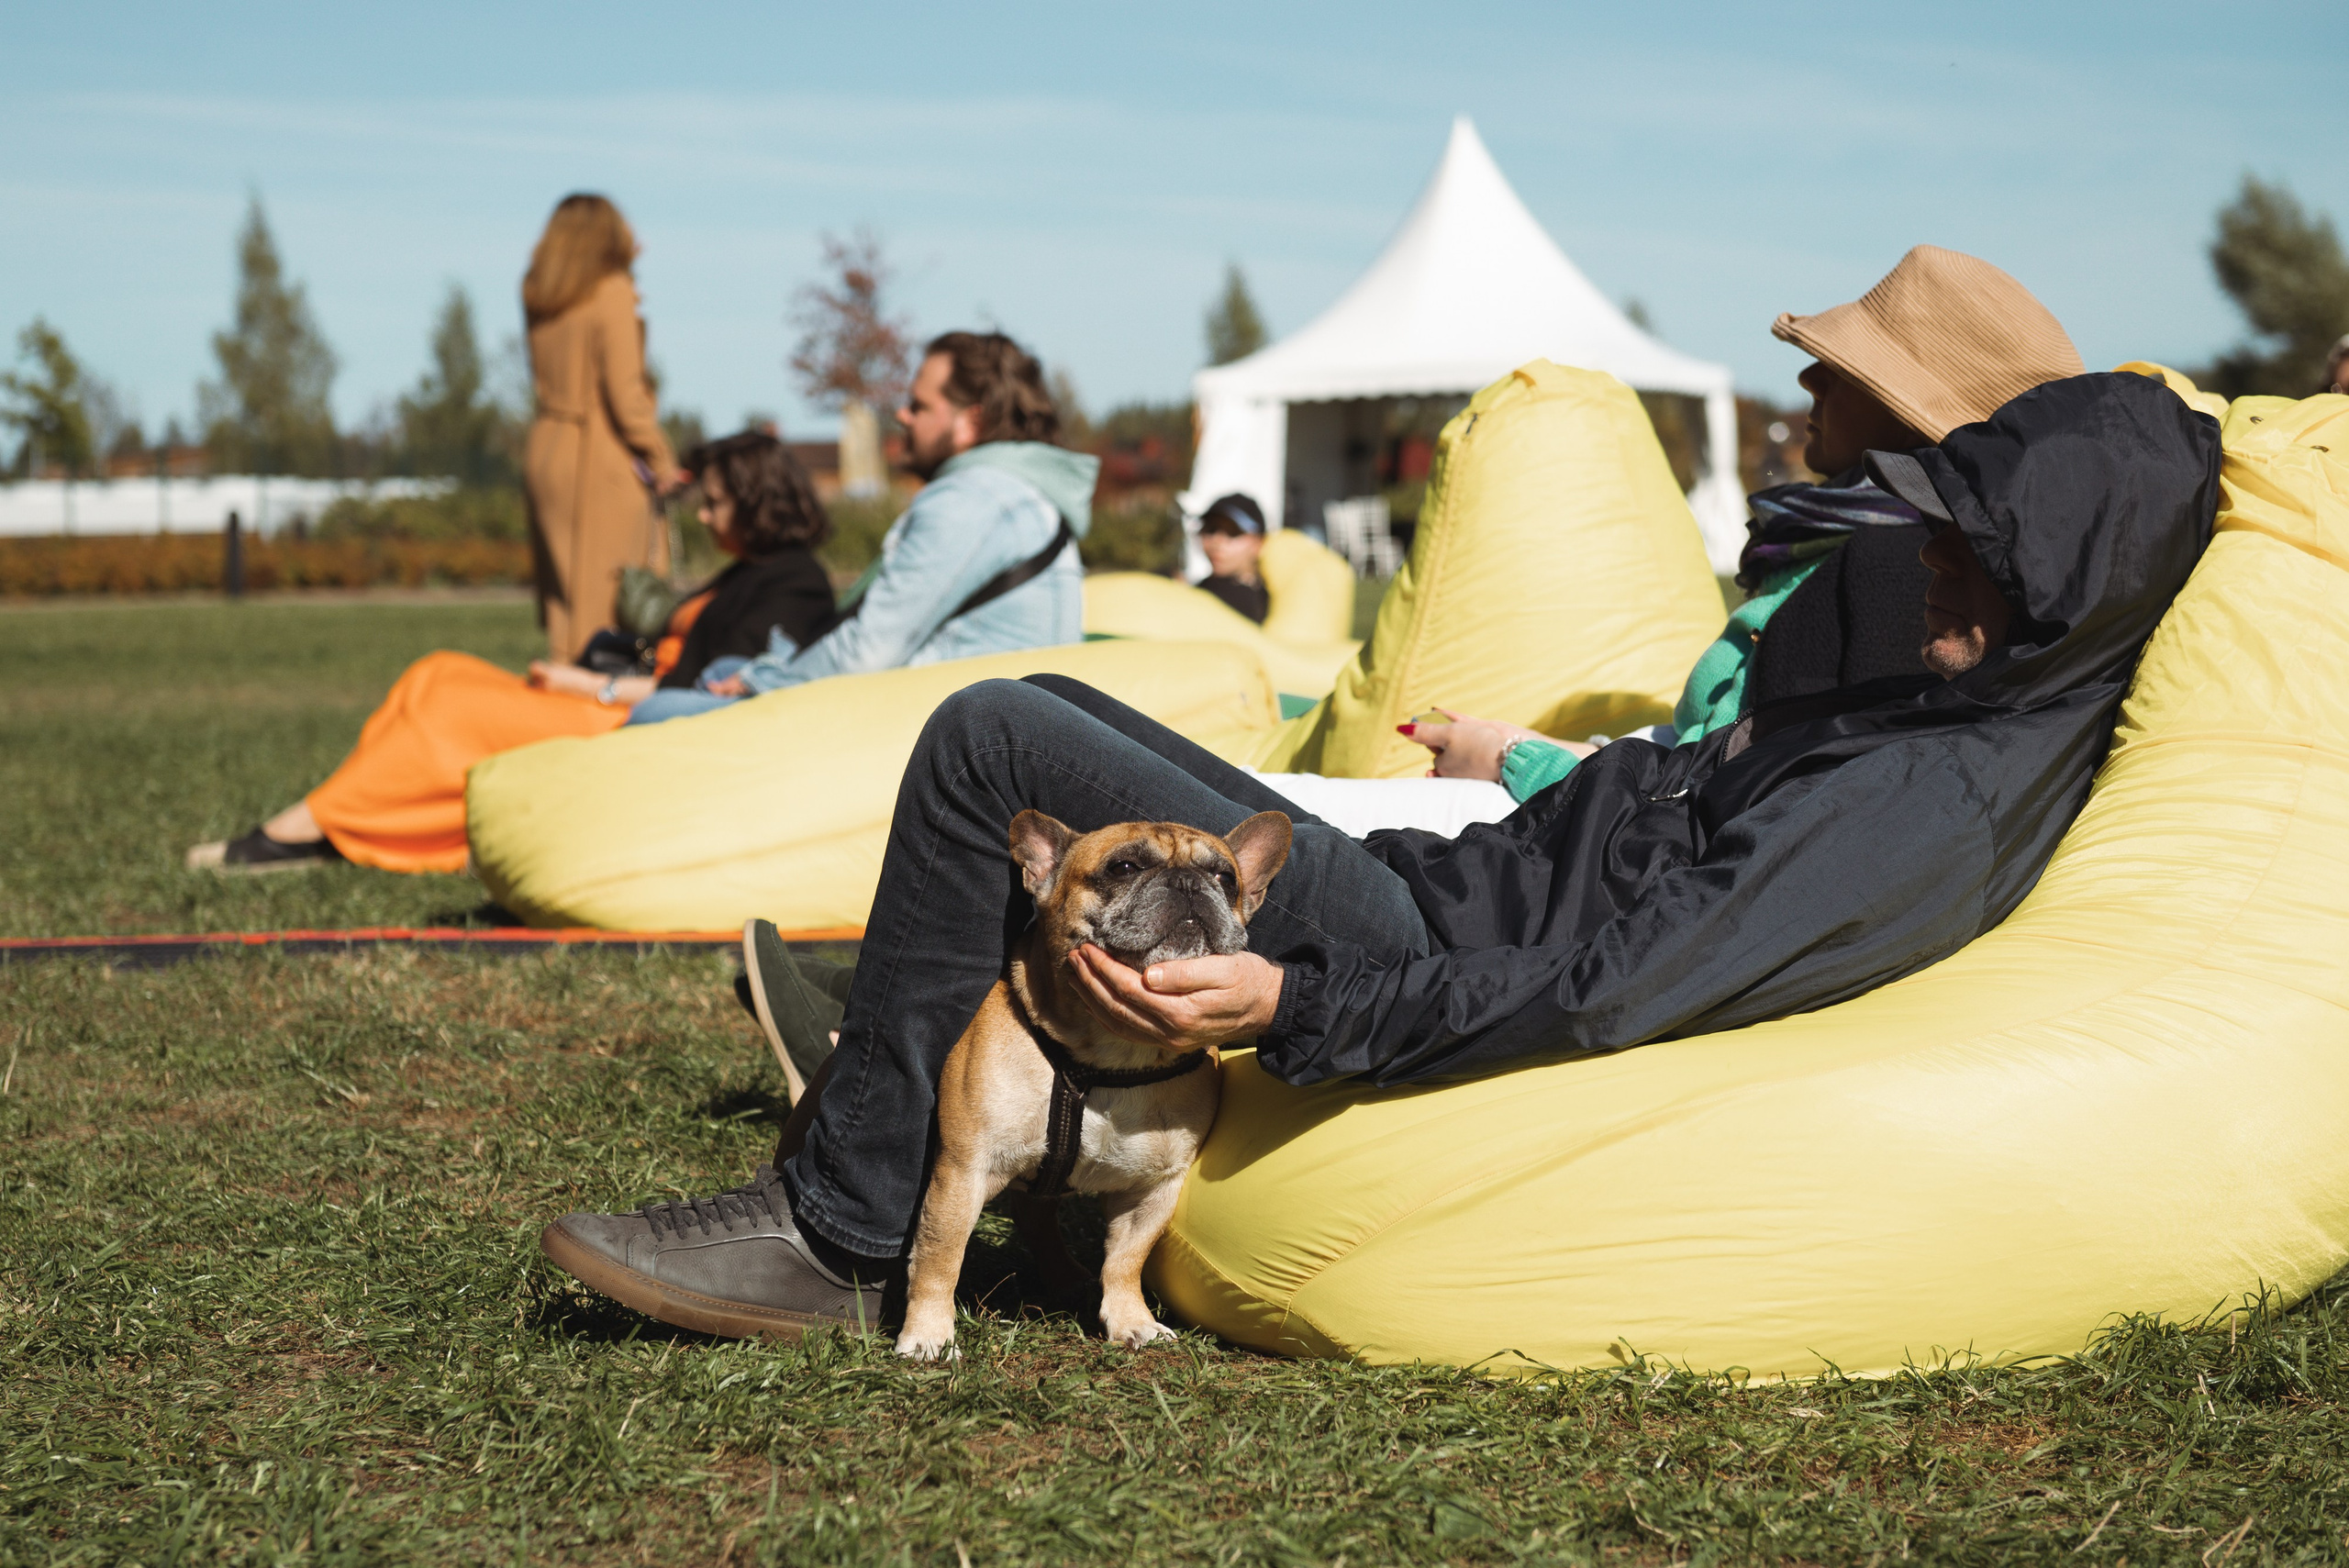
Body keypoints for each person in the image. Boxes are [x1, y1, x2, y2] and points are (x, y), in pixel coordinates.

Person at [539, 369, 2221, 1340]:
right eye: (1942, 529)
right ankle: (947, 1040)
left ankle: (837, 1228)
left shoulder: (1928, 802)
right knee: (1053, 728)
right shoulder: (1969, 686)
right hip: (1470, 865)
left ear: (2077, 591)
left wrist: (1301, 995)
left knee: (994, 735)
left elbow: (1616, 983)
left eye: (1980, 557)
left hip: (1421, 934)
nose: (1935, 570)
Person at [1404, 245, 2085, 805]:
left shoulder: (1905, 572)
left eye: (1848, 370)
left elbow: (1737, 807)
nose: (1810, 377)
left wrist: (1510, 760)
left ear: (1912, 419)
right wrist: (1525, 744)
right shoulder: (1839, 544)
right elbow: (1699, 749)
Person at [187, 433, 834, 873]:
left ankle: (311, 828)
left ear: (756, 502)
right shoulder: (751, 569)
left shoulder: (792, 582)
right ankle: (351, 815)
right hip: (619, 699)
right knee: (436, 673)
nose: (702, 517)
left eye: (715, 503)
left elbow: (715, 691)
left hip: (632, 719)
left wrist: (589, 687)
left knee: (448, 712)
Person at [640, 330, 1099, 723]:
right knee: (723, 668)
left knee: (653, 713)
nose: (902, 415)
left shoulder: (973, 500)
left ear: (969, 422)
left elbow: (870, 651)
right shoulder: (1017, 495)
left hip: (917, 727)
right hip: (967, 713)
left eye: (918, 406)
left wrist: (765, 680)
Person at [521, 194, 691, 662]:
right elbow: (625, 395)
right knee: (608, 600)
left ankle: (559, 683)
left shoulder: (541, 294)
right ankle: (593, 705)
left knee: (564, 600)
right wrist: (661, 459)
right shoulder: (612, 291)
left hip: (546, 444)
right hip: (600, 454)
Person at [1193, 493, 1269, 623]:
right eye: (1211, 530)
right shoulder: (1199, 591)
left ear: (1258, 542)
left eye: (1233, 533)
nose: (1217, 542)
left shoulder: (1275, 601)